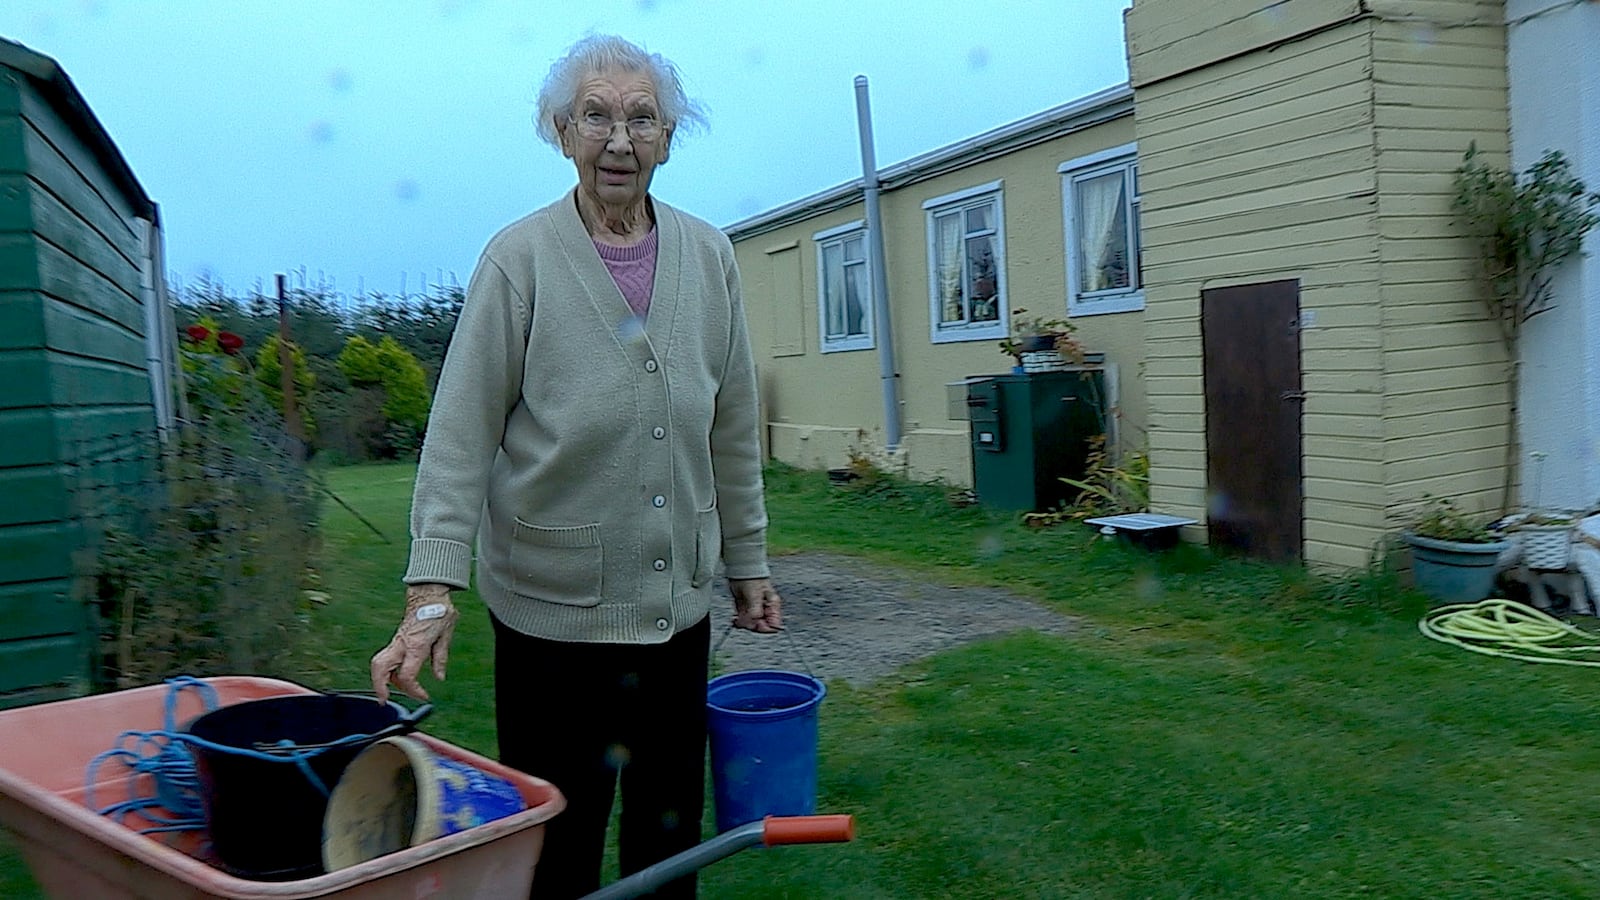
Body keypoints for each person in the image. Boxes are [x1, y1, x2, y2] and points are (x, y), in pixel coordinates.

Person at [368, 34, 783, 899]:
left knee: (668, 840)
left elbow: (734, 427)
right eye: (596, 116)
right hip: (551, 621)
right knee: (559, 844)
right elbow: (459, 434)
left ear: (671, 136)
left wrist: (747, 562)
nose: (620, 140)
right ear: (561, 131)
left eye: (642, 118)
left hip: (675, 619)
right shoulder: (517, 260)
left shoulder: (710, 259)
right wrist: (430, 589)